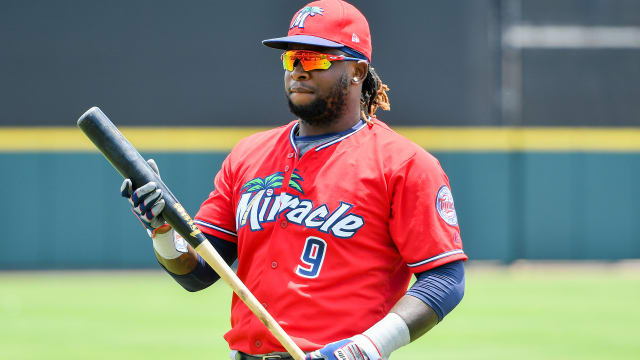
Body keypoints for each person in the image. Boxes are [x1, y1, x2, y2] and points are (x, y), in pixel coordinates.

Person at [120, 1, 467, 359]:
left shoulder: (404, 164)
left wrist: (366, 348)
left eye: (316, 59)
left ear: (358, 70)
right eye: (292, 58)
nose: (299, 70)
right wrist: (163, 233)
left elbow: (445, 280)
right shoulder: (248, 155)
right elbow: (198, 273)